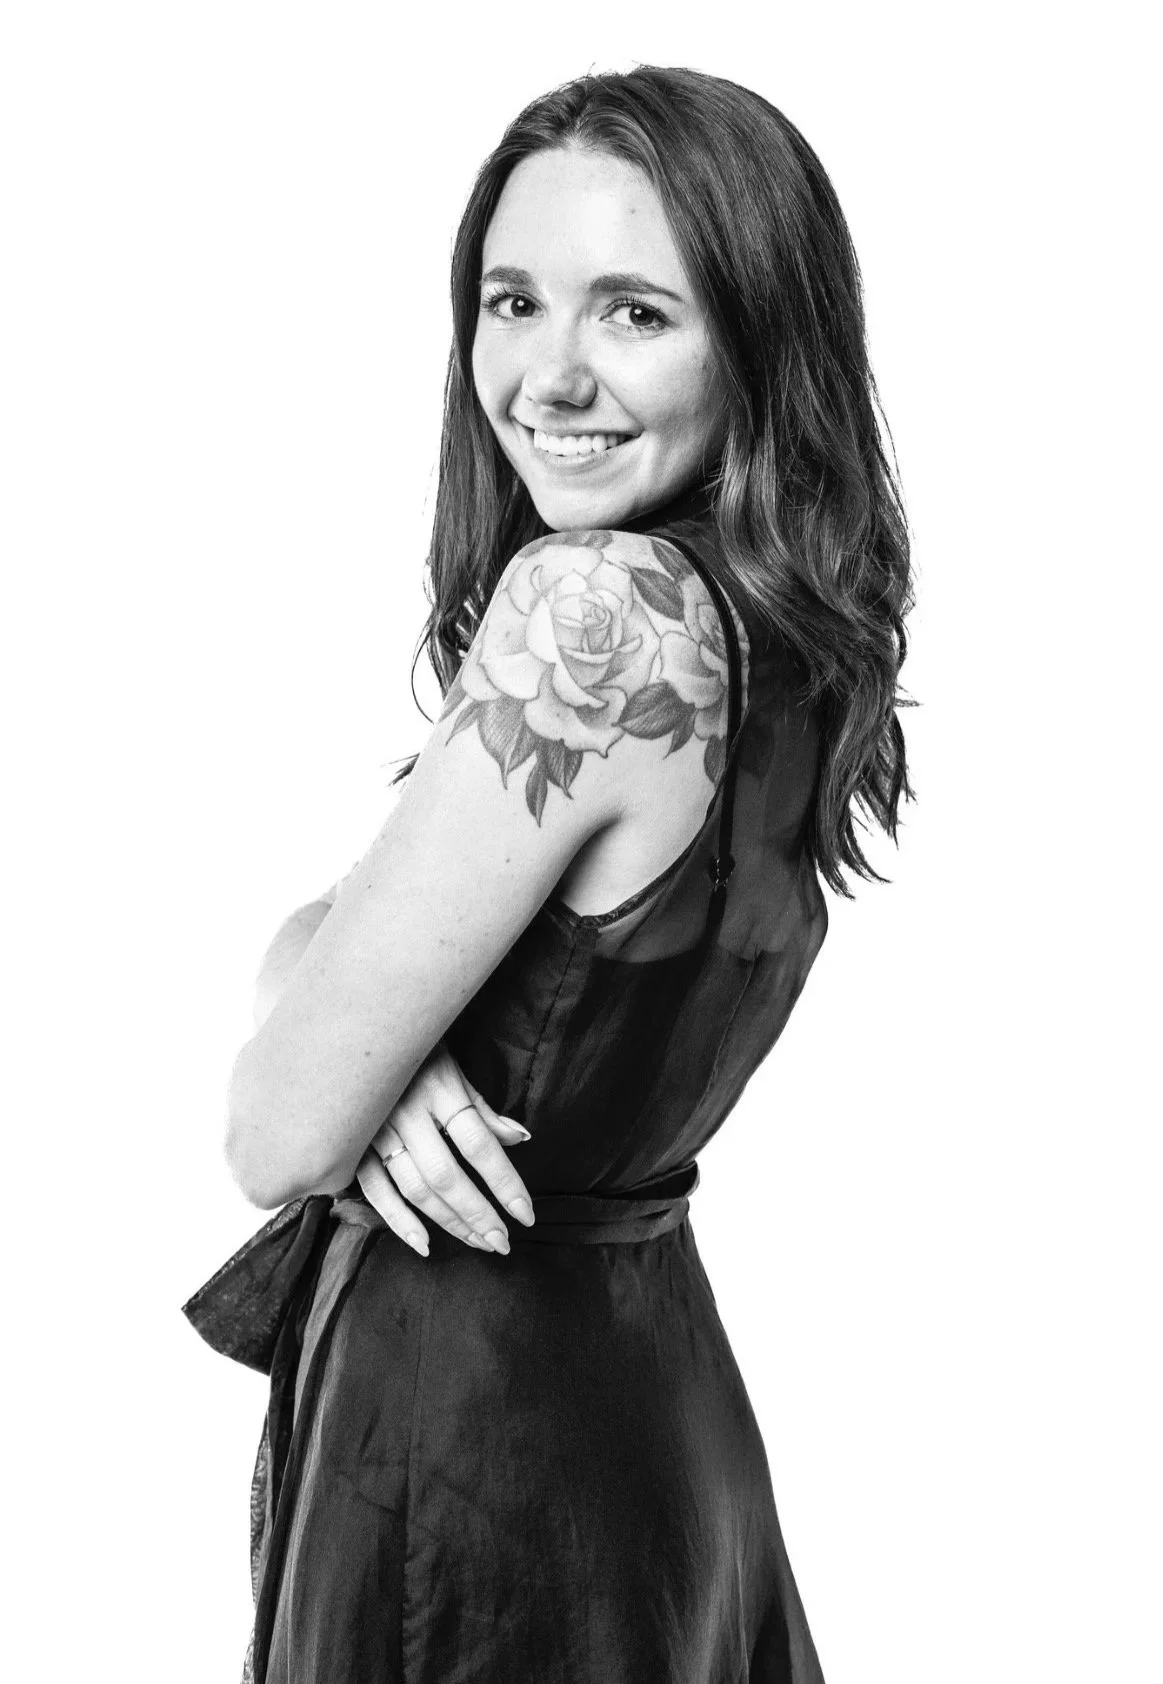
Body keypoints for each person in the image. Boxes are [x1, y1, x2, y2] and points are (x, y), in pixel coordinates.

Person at [182, 63, 914, 1684]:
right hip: (648, 1405)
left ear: (759, 340)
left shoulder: (594, 614)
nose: (549, 374)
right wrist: (316, 974)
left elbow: (274, 1129)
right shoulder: (788, 636)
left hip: (472, 1442)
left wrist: (332, 1041)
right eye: (512, 301)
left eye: (636, 313)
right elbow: (386, 976)